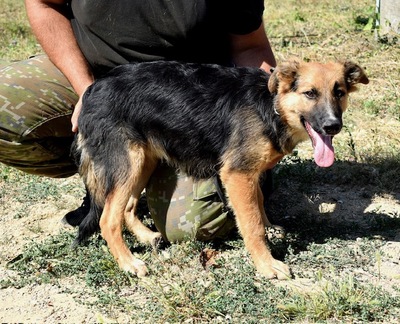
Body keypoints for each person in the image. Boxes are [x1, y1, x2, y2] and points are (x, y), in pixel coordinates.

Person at [0, 0, 276, 242]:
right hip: (98, 79)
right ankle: (108, 175)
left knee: (194, 225)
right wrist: (86, 89)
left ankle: (142, 172)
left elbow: (251, 47)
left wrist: (265, 127)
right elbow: (42, 3)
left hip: (192, 106)